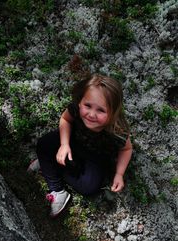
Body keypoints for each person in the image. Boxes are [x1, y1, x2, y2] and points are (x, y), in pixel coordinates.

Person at [35, 74, 133, 217]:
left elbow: (127, 148)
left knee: (89, 187)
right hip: (72, 141)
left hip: (95, 156)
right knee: (44, 144)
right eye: (87, 106)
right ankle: (57, 190)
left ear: (112, 113)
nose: (92, 114)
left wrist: (119, 174)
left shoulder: (117, 130)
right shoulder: (75, 109)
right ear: (80, 101)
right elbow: (65, 119)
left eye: (101, 110)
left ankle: (50, 166)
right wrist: (64, 144)